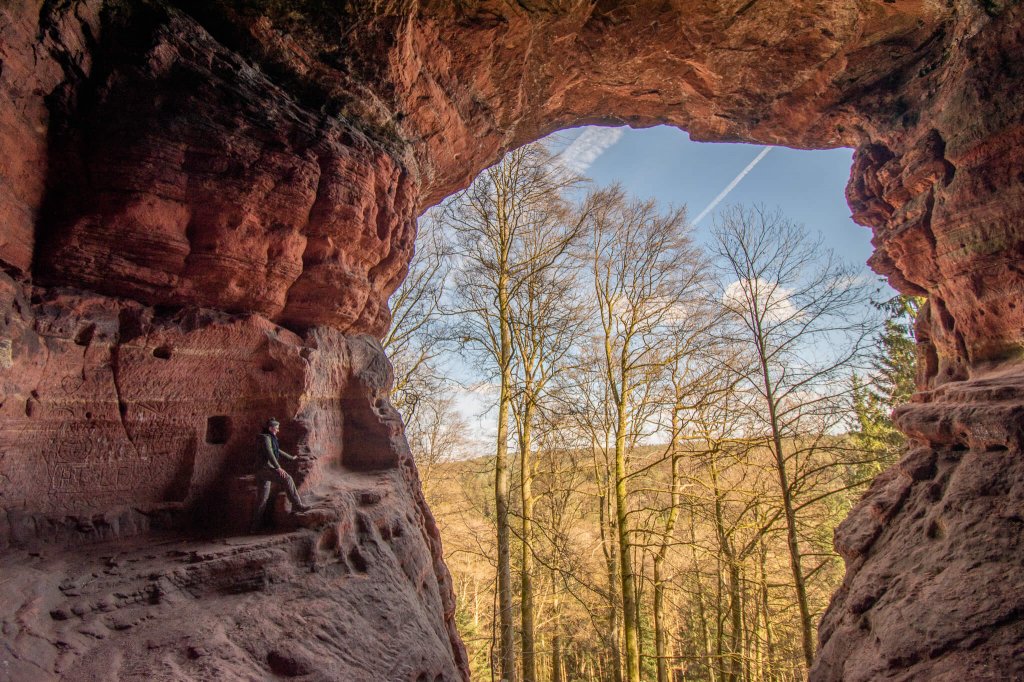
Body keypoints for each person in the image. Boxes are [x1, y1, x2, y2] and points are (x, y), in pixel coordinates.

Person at [250, 418, 309, 532]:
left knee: (263, 499)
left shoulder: (269, 437)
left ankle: (254, 527)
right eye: (276, 428)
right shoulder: (265, 438)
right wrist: (278, 468)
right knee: (287, 478)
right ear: (270, 428)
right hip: (263, 469)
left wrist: (291, 458)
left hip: (262, 470)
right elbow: (270, 453)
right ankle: (297, 504)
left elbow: (277, 450)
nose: (278, 430)